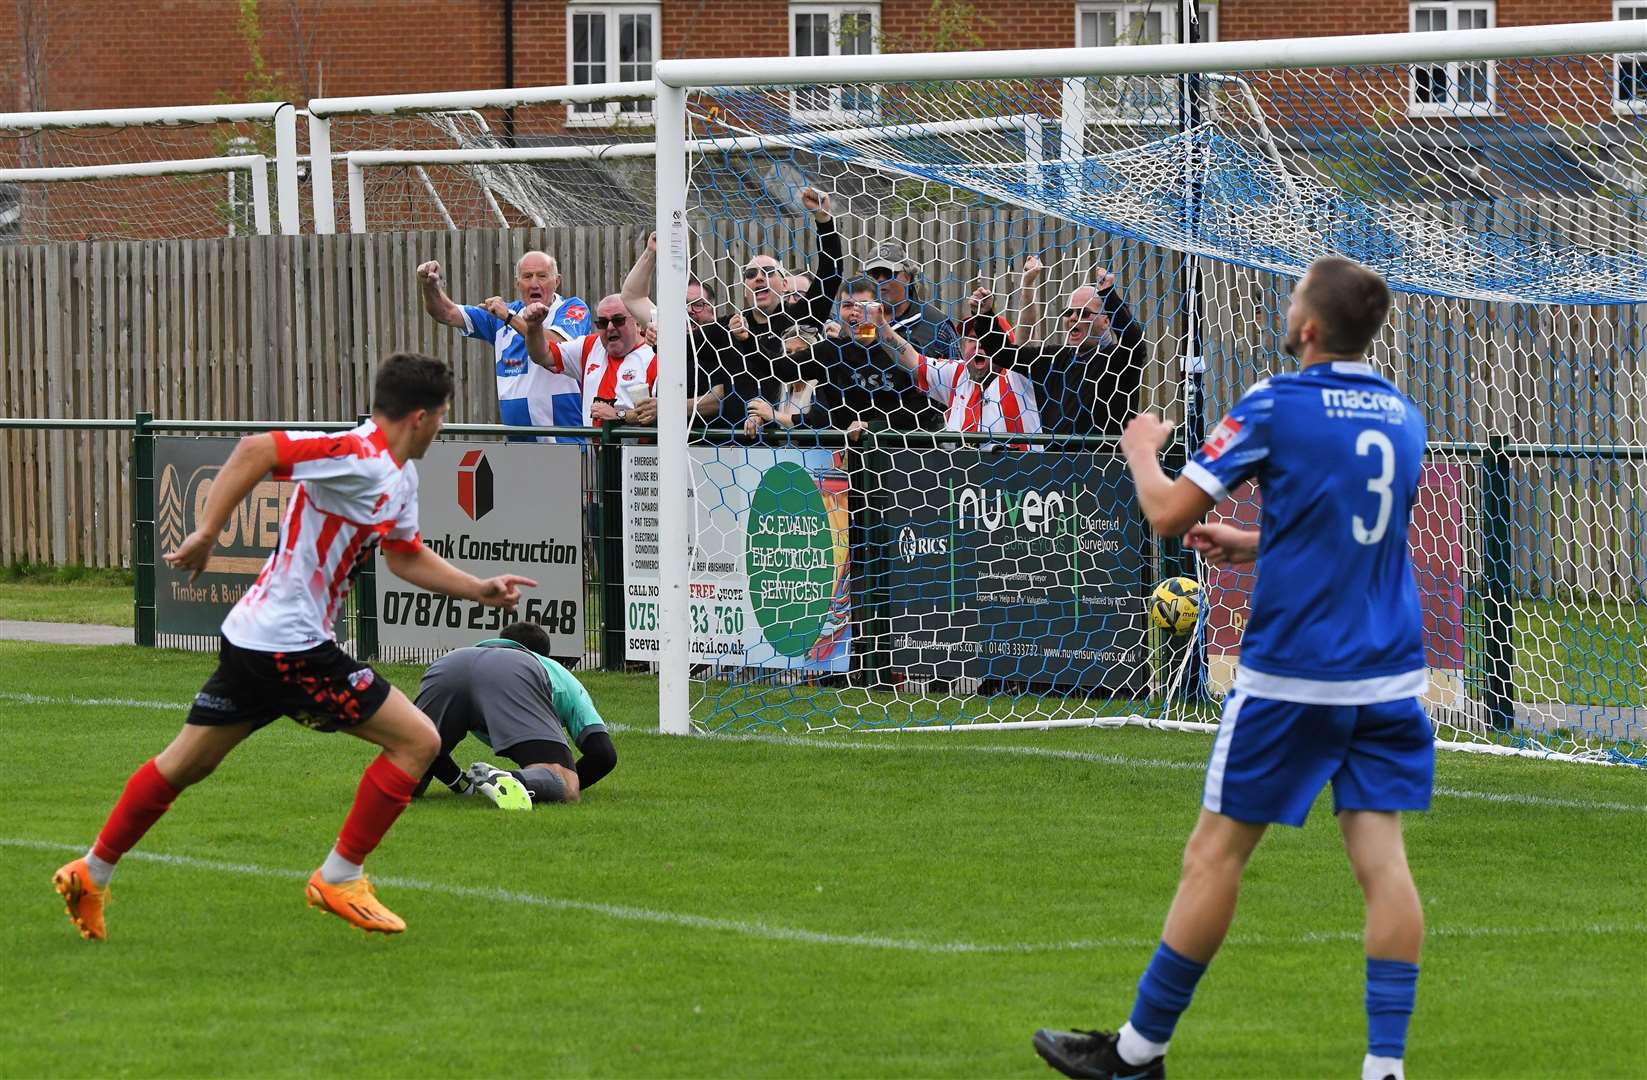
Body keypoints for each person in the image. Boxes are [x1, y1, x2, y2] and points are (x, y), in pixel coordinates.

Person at [1032, 258, 1431, 1080]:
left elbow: (1170, 511)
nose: (1285, 309)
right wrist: (1252, 542)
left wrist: (1143, 451)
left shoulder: (1277, 404)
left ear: (1310, 328)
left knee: (1214, 857)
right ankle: (1384, 1069)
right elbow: (1354, 532)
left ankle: (1137, 1054)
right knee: (1383, 865)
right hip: (1388, 678)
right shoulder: (1402, 415)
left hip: (1293, 676)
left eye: (1293, 299)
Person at [51, 354, 535, 940]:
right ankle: (340, 876)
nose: (443, 426)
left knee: (186, 763)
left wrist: (477, 589)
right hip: (291, 646)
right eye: (441, 416)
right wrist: (206, 531)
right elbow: (257, 450)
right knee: (418, 742)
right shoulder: (359, 455)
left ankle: (90, 872)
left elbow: (403, 556)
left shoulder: (400, 475)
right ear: (418, 417)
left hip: (257, 640)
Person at [412, 622, 617, 809]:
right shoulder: (557, 673)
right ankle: (509, 779)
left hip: (448, 665)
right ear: (544, 657)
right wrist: (551, 784)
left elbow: (432, 749)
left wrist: (461, 784)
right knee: (564, 782)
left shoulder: (470, 656)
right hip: (513, 675)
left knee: (408, 770)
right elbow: (603, 754)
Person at [415, 251, 591, 441]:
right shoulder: (502, 315)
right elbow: (446, 313)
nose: (534, 283)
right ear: (518, 284)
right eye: (527, 276)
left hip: (567, 440)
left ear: (557, 281)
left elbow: (554, 346)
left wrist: (509, 317)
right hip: (518, 444)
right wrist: (429, 286)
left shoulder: (573, 308)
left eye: (542, 276)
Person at [728, 186, 842, 438]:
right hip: (743, 446)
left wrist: (824, 221)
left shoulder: (801, 318)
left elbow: (830, 275)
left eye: (768, 272)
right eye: (751, 274)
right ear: (743, 286)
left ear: (784, 283)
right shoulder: (731, 326)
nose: (759, 278)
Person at [996, 266, 1146, 439]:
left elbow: (1134, 342)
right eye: (1068, 312)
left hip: (1106, 463)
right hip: (1055, 464)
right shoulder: (1054, 359)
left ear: (1106, 321)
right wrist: (983, 316)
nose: (1073, 317)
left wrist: (1108, 295)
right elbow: (1003, 354)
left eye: (1084, 312)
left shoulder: (1117, 360)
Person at [875, 306, 1042, 449]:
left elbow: (1026, 330)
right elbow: (910, 359)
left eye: (987, 340)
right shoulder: (956, 373)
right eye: (972, 339)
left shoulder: (1017, 376)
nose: (978, 345)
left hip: (1018, 480)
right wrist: (879, 324)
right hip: (964, 480)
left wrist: (1028, 283)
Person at [620, 232, 741, 424]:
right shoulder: (665, 331)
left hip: (708, 445)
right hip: (664, 442)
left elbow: (717, 400)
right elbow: (632, 296)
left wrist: (665, 407)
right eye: (683, 305)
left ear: (714, 312)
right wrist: (651, 252)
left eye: (698, 305)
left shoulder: (724, 340)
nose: (689, 312)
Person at [809, 277, 937, 435]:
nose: (855, 312)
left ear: (879, 310)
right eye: (848, 305)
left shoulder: (905, 349)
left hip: (899, 450)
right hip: (847, 453)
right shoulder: (831, 351)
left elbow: (927, 405)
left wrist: (875, 426)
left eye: (863, 306)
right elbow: (782, 367)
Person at [529, 294, 659, 428]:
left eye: (618, 320)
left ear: (637, 322)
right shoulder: (589, 346)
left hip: (640, 448)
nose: (610, 327)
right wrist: (533, 328)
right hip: (592, 447)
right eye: (602, 323)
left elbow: (661, 411)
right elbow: (542, 356)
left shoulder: (655, 354)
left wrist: (619, 415)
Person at [860, 239, 959, 359]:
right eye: (874, 274)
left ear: (907, 278)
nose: (880, 279)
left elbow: (957, 374)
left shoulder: (936, 323)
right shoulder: (860, 320)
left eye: (888, 273)